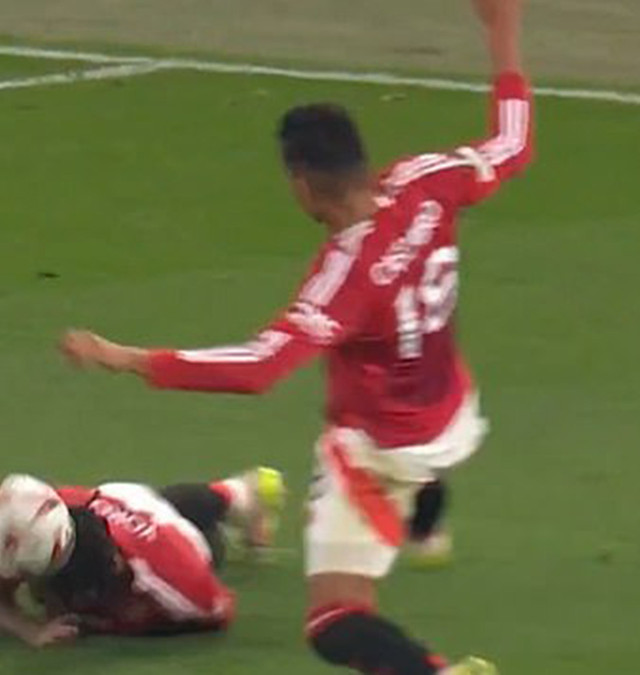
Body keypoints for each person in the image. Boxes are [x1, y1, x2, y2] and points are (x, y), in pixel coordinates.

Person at [59, 0, 530, 671]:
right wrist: (503, 28)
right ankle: (428, 511)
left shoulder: (345, 276)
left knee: (334, 621)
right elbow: (511, 144)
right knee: (415, 446)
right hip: (452, 408)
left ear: (302, 183)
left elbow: (259, 365)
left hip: (379, 453)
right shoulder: (427, 182)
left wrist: (123, 356)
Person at [0, 468, 285, 647]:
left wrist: (120, 625)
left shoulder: (177, 575)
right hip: (115, 499)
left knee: (208, 534)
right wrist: (31, 631)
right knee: (160, 499)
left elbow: (220, 612)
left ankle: (240, 493)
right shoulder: (30, 523)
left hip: (168, 533)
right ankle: (232, 494)